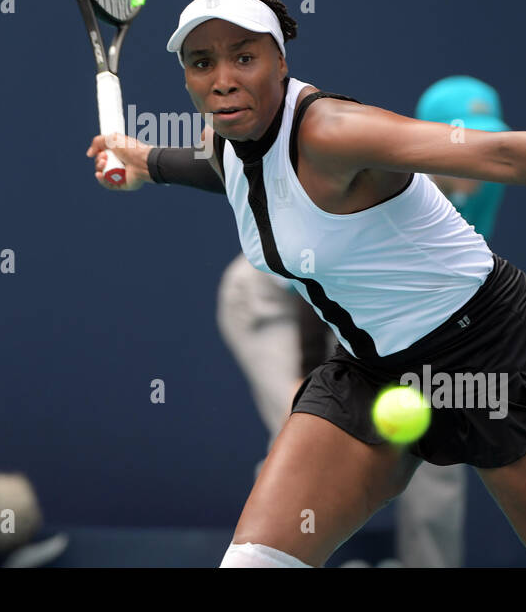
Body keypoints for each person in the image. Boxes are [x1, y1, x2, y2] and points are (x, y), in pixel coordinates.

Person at [85, 0, 526, 568]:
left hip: (497, 357)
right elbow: (225, 170)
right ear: (186, 79)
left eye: (244, 55)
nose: (223, 77)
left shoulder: (335, 133)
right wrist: (144, 161)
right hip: (370, 374)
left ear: (281, 62)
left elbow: (498, 156)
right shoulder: (227, 137)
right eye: (203, 63)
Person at [215, 75, 510, 567]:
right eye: (462, 134)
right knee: (306, 434)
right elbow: (325, 279)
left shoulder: (479, 184)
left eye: (484, 133)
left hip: (366, 306)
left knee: (437, 447)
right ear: (430, 137)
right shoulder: (387, 172)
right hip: (277, 295)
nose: (474, 147)